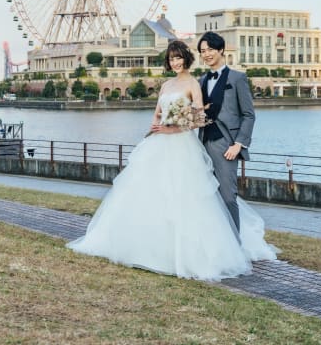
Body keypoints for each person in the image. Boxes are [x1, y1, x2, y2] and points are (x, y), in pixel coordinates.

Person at [67, 40, 275, 281]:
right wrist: (157, 126)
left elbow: (199, 118)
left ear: (187, 59)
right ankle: (149, 246)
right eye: (171, 59)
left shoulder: (194, 84)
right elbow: (157, 112)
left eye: (179, 58)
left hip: (183, 145)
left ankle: (218, 247)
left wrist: (174, 127)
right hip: (159, 143)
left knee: (191, 196)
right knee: (151, 194)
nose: (175, 62)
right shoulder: (167, 84)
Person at [196, 31, 255, 232]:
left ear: (221, 50)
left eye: (210, 49)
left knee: (228, 196)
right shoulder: (201, 81)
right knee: (207, 196)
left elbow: (248, 115)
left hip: (227, 145)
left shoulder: (238, 78)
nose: (207, 54)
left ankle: (235, 244)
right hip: (202, 144)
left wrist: (238, 144)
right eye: (203, 51)